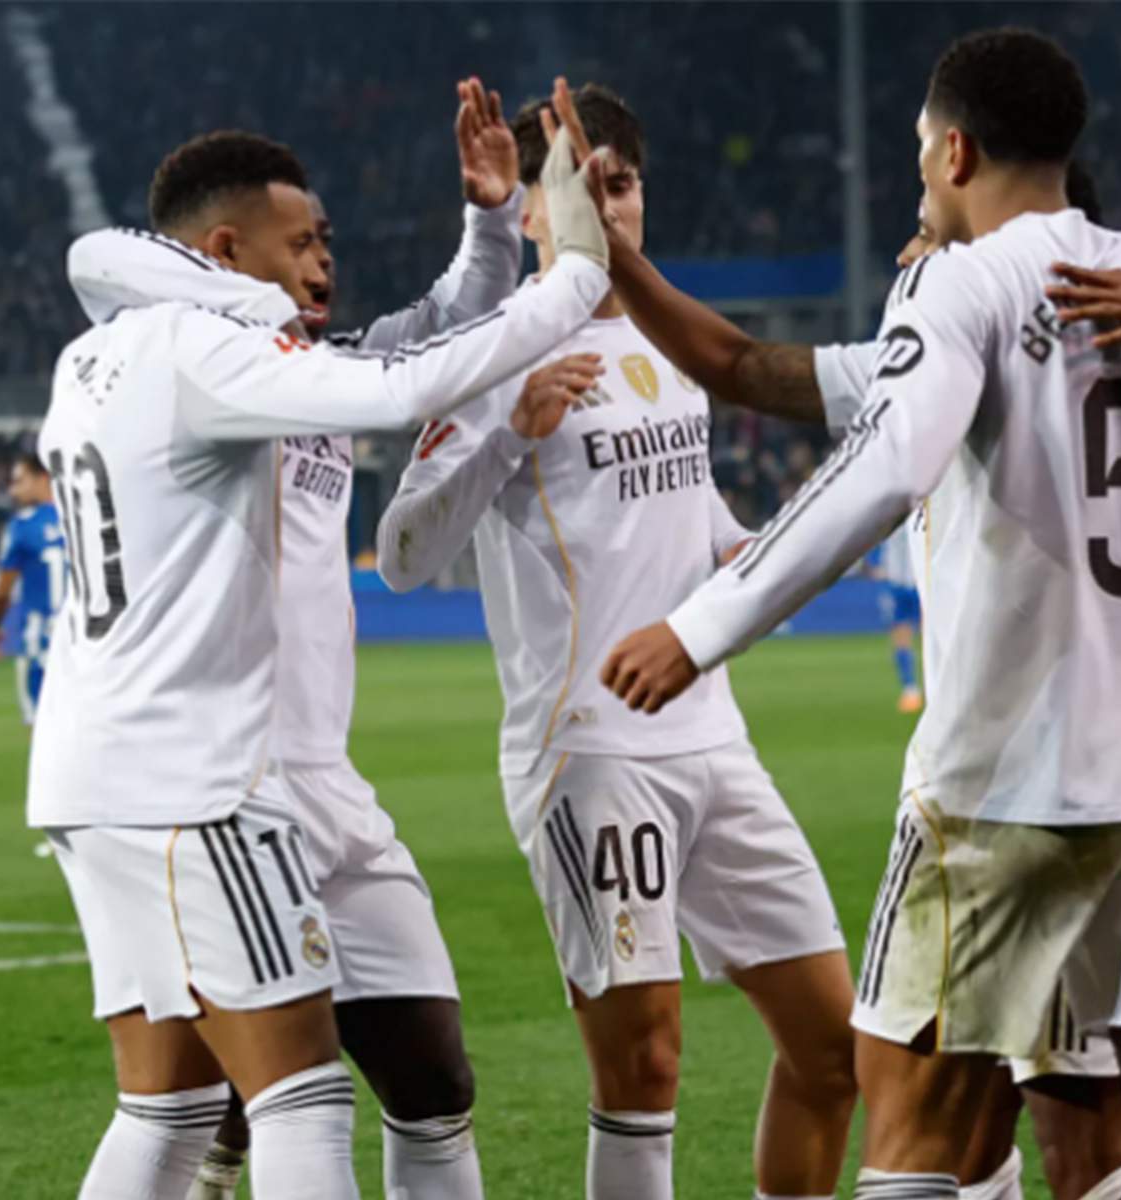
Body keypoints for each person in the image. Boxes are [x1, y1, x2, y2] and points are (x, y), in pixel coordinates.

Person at [597, 29, 1121, 1200]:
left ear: (953, 152)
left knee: (911, 1127)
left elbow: (886, 466)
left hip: (1006, 785)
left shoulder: (962, 283)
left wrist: (697, 627)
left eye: (917, 154)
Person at [30, 87, 610, 1200]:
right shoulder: (208, 357)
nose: (323, 260)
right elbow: (411, 382)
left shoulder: (157, 356)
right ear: (223, 251)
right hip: (200, 772)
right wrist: (574, 269)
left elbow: (428, 337)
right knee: (294, 1098)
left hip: (269, 773)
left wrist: (491, 224)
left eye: (327, 239)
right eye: (300, 242)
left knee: (400, 1081)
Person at [376, 84, 858, 1200]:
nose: (604, 207)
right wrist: (513, 432)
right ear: (529, 212)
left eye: (620, 184)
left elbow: (691, 514)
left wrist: (754, 547)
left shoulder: (675, 342)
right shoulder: (496, 353)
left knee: (833, 1050)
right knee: (644, 1066)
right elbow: (400, 553)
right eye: (576, 188)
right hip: (589, 750)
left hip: (713, 742)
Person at [0, 453, 63, 726]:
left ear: (43, 478)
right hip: (82, 642)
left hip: (39, 640)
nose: (13, 490)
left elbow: (2, 590)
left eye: (19, 481)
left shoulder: (22, 526)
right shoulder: (81, 518)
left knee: (41, 731)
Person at [872, 526, 925, 713]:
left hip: (921, 582)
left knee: (931, 637)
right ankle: (910, 689)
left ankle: (930, 688)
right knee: (902, 637)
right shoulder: (892, 517)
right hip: (899, 584)